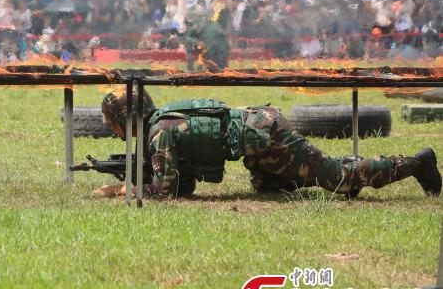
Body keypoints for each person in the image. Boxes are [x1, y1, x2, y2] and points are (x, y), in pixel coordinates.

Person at [97, 99, 441, 200]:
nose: (114, 130)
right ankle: (329, 165)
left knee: (339, 179)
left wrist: (124, 189)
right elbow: (184, 185)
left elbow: (165, 191)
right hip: (257, 141)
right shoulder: (161, 123)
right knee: (266, 185)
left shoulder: (159, 133)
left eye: (114, 123)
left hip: (265, 134)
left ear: (125, 119)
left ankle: (415, 164)